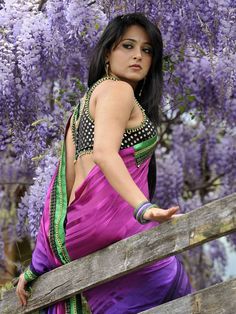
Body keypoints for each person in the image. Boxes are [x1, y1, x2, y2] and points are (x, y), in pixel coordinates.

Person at [16, 13, 193, 314]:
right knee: (174, 286)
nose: (138, 55)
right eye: (128, 45)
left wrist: (37, 266)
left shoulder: (82, 107)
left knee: (115, 300)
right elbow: (105, 153)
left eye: (147, 50)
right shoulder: (118, 90)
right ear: (108, 53)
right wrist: (143, 208)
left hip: (78, 233)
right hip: (116, 222)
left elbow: (62, 189)